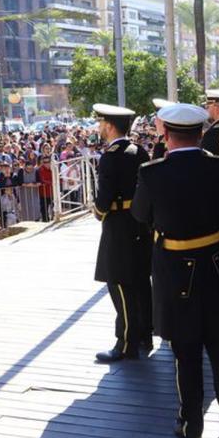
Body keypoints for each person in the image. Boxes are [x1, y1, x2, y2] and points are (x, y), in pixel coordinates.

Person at [131, 103, 219, 438]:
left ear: (165, 134)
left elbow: (140, 215)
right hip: (216, 268)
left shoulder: (151, 173)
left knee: (186, 353)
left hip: (175, 276)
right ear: (201, 133)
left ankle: (191, 422)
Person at [91, 104, 153, 363]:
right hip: (139, 223)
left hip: (118, 225)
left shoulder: (112, 155)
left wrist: (98, 211)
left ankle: (126, 342)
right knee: (139, 281)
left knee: (119, 282)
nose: (99, 127)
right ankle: (144, 335)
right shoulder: (138, 150)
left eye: (101, 122)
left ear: (109, 125)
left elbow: (103, 199)